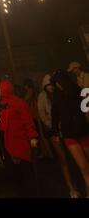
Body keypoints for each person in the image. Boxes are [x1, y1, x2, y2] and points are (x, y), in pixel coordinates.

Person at [38, 74, 79, 198]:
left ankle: (77, 185)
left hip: (66, 131)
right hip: (54, 132)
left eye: (51, 84)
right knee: (63, 160)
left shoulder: (59, 94)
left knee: (73, 159)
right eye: (48, 85)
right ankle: (71, 188)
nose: (50, 87)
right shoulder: (42, 97)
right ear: (44, 87)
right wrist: (53, 127)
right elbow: (42, 115)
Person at [51, 70, 89, 198]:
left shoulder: (57, 97)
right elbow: (87, 110)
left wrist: (55, 131)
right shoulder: (80, 91)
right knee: (86, 168)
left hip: (71, 134)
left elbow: (54, 116)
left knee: (84, 169)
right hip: (83, 131)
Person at [0, 80, 38, 198]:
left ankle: (30, 194)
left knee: (25, 172)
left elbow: (27, 120)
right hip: (9, 142)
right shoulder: (1, 104)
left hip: (19, 141)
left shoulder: (18, 103)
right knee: (17, 174)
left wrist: (32, 136)